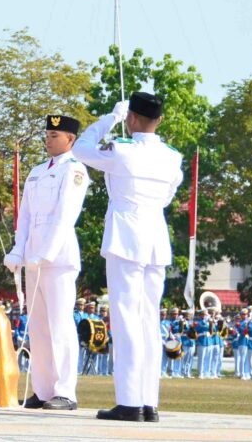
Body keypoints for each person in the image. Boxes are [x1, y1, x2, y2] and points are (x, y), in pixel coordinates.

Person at [73, 93, 184, 423]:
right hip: (156, 237)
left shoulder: (121, 151)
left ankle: (129, 401)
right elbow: (167, 196)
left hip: (126, 235)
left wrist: (110, 118)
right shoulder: (172, 157)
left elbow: (80, 148)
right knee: (150, 320)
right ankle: (149, 402)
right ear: (159, 120)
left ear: (132, 118)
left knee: (126, 319)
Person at [4, 115, 90, 411]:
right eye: (47, 134)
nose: (49, 139)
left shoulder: (75, 170)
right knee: (38, 327)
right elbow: (25, 216)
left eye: (55, 135)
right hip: (33, 257)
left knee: (61, 325)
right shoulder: (38, 172)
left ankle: (65, 392)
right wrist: (19, 250)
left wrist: (47, 251)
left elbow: (67, 214)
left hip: (59, 257)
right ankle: (42, 390)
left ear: (70, 139)